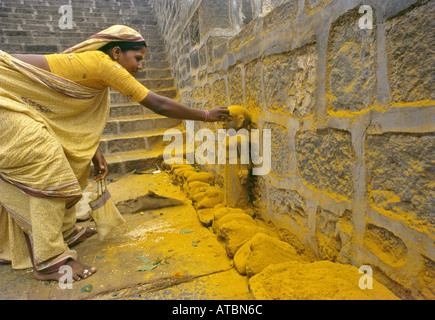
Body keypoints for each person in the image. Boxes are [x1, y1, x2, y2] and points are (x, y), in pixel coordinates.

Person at [0, 25, 230, 283]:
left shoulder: (95, 68)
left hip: (17, 104)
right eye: (138, 59)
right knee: (48, 161)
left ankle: (63, 232)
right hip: (4, 101)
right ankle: (49, 260)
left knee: (71, 163)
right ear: (117, 52)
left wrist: (92, 151)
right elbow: (158, 103)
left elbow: (64, 116)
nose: (140, 67)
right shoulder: (102, 63)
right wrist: (206, 116)